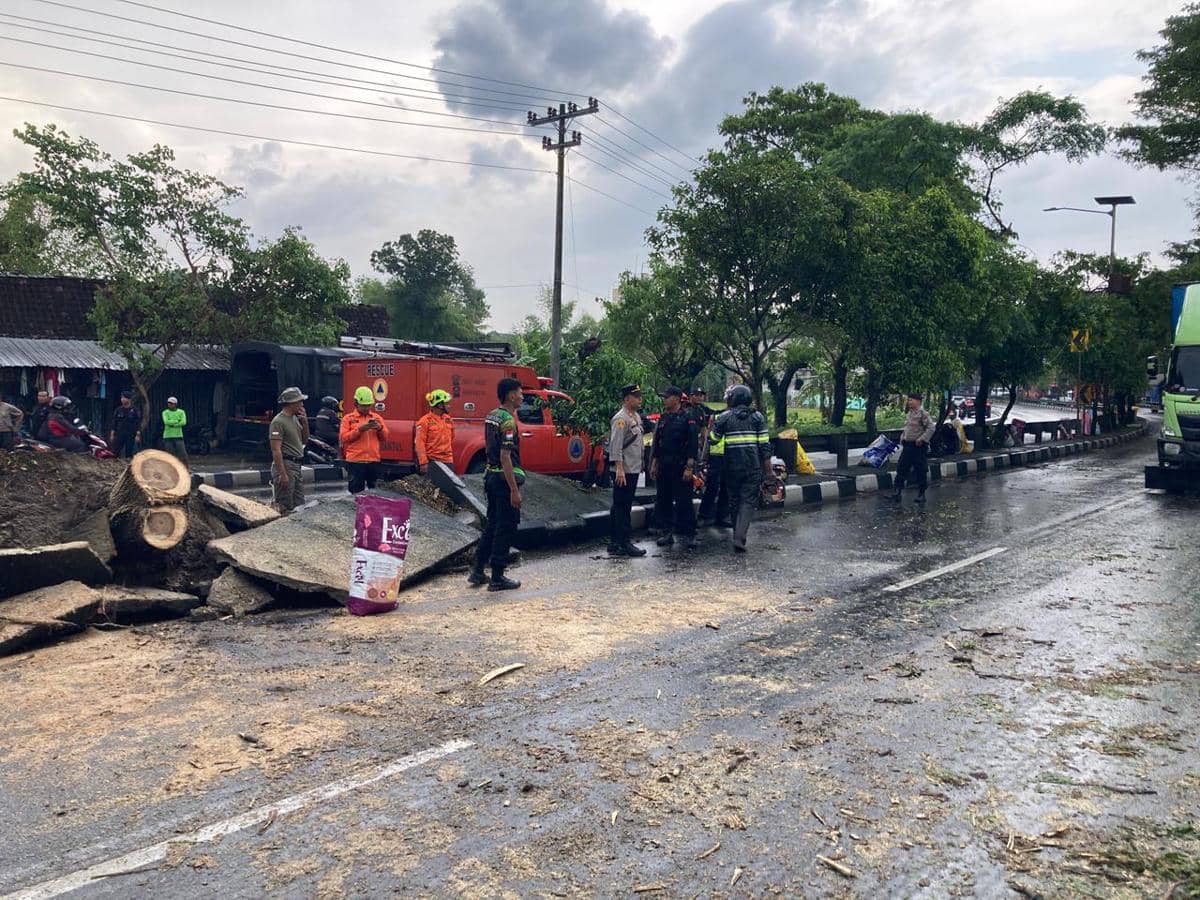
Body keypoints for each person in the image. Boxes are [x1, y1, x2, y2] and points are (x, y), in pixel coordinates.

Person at [468, 377, 524, 591]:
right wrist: (514, 490)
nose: (522, 396)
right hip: (503, 479)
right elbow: (505, 457)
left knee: (492, 525)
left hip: (490, 477)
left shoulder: (492, 415)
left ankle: (478, 570)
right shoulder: (508, 421)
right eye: (519, 393)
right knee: (506, 526)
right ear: (511, 395)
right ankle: (498, 576)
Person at [710, 384, 772, 552]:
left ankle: (737, 534)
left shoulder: (724, 417)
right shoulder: (758, 417)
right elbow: (765, 446)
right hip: (753, 467)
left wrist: (712, 427)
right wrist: (769, 472)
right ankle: (740, 536)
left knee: (734, 500)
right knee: (748, 501)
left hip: (731, 467)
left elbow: (713, 439)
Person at [650, 386, 699, 550]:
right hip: (664, 464)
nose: (664, 400)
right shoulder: (663, 418)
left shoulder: (687, 418)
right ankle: (667, 532)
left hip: (681, 465)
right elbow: (658, 442)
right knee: (664, 499)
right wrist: (654, 463)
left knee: (684, 501)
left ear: (676, 399)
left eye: (667, 397)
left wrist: (689, 467)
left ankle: (690, 534)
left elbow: (693, 444)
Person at [607, 383, 647, 557]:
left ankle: (616, 541)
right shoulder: (621, 418)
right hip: (624, 469)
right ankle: (624, 542)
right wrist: (619, 469)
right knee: (623, 506)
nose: (640, 399)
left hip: (633, 467)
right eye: (636, 397)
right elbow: (615, 446)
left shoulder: (635, 416)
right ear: (627, 399)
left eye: (640, 396)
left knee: (621, 505)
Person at [339, 386, 390, 494]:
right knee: (356, 492)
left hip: (373, 461)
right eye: (363, 406)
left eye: (368, 405)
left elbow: (385, 437)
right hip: (355, 462)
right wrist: (359, 430)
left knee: (376, 492)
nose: (366, 408)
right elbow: (344, 438)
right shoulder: (348, 418)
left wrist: (379, 428)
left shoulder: (377, 418)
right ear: (356, 403)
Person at [269, 386, 309, 514]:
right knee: (285, 505)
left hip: (296, 465)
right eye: (299, 401)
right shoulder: (278, 422)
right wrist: (282, 474)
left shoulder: (295, 419)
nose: (301, 404)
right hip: (286, 465)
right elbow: (276, 450)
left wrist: (305, 423)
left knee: (300, 505)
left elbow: (304, 440)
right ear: (291, 403)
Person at [890, 392, 936, 504]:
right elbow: (907, 428)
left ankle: (921, 494)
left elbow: (931, 428)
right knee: (901, 468)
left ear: (918, 401)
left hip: (918, 447)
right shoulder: (909, 414)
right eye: (908, 400)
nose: (909, 402)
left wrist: (922, 439)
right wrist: (903, 437)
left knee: (920, 470)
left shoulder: (923, 414)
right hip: (908, 446)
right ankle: (897, 492)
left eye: (911, 400)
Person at [697, 422, 730, 529]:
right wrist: (704, 457)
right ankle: (703, 516)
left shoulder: (736, 416)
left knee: (726, 486)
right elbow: (709, 438)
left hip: (730, 455)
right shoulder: (717, 416)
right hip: (715, 456)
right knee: (712, 486)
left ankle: (722, 517)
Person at [415, 389, 455, 474]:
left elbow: (452, 438)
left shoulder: (448, 419)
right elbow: (419, 443)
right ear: (440, 405)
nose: (449, 405)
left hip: (448, 461)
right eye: (447, 403)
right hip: (432, 461)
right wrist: (423, 463)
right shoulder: (424, 421)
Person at [109, 391, 141, 459]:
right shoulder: (118, 410)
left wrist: (138, 435)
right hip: (119, 433)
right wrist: (112, 434)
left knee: (129, 452)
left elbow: (137, 423)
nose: (122, 399)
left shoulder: (134, 410)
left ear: (129, 399)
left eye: (124, 398)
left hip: (130, 434)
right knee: (115, 451)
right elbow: (114, 422)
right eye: (122, 398)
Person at [161, 397, 188, 465]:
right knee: (170, 454)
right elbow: (166, 422)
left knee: (182, 453)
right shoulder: (165, 412)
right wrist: (177, 421)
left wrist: (172, 424)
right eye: (169, 403)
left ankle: (185, 467)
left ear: (175, 404)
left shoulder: (181, 412)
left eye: (171, 403)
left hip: (178, 435)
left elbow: (183, 422)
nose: (170, 405)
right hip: (168, 436)